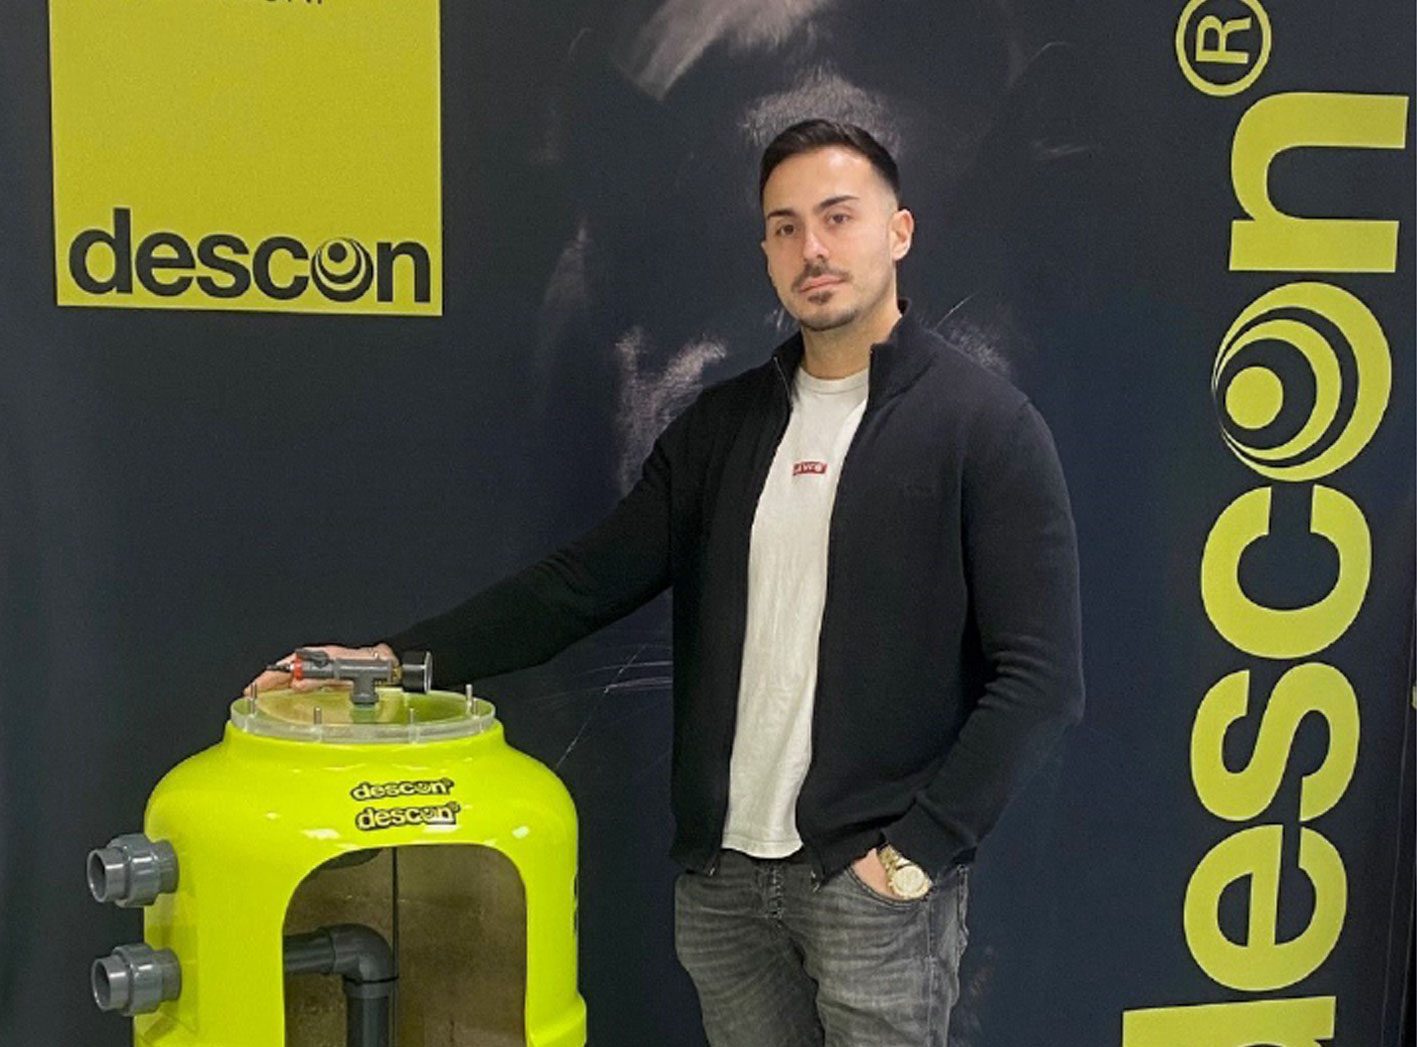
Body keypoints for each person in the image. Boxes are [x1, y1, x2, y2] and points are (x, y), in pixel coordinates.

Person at [253, 119, 1084, 1047]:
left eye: (838, 216)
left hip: (870, 891)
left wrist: (914, 853)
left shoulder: (984, 427)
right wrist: (392, 660)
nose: (811, 248)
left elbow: (1040, 679)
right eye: (784, 227)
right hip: (726, 888)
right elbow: (581, 585)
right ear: (765, 252)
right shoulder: (720, 428)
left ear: (898, 231)